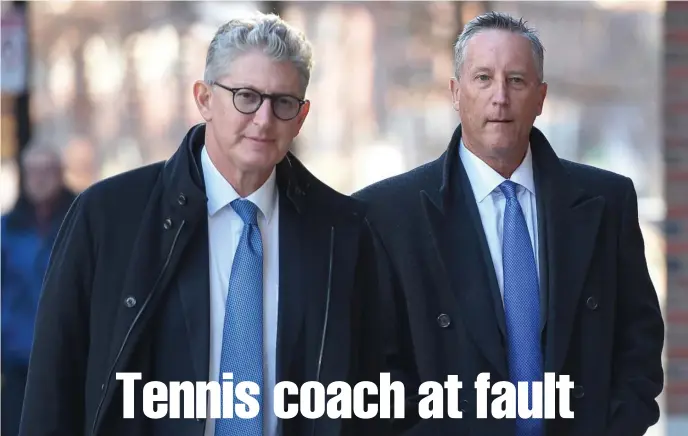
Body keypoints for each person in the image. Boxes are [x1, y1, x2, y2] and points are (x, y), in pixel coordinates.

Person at [20, 12, 384, 436]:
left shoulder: (342, 232)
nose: (264, 120)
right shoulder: (107, 218)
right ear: (205, 99)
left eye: (283, 102)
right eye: (246, 96)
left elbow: (368, 394)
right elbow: (53, 384)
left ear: (301, 117)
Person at [354, 11, 664, 436]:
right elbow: (373, 375)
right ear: (456, 93)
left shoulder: (607, 202)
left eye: (516, 80)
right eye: (483, 78)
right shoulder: (386, 215)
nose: (500, 96)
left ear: (540, 97)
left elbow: (639, 343)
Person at [1, 142, 76, 436]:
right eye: (33, 170)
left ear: (60, 173)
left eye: (47, 170)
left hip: (68, 354)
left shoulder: (81, 220)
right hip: (19, 357)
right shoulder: (7, 228)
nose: (40, 177)